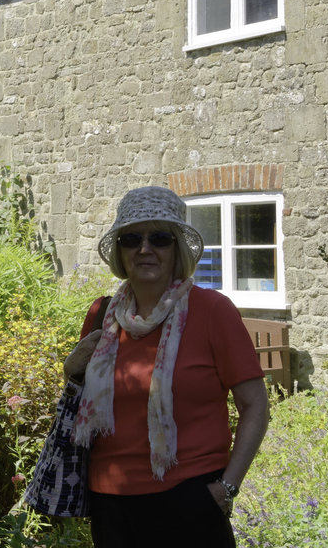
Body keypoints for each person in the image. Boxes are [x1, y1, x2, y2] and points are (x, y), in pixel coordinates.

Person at [64, 186, 268, 548]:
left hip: (189, 498)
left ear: (176, 249)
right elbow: (81, 408)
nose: (145, 249)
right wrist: (71, 372)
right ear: (120, 252)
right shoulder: (101, 317)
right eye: (131, 239)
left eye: (159, 238)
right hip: (110, 502)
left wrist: (226, 488)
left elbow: (255, 406)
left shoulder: (212, 312)